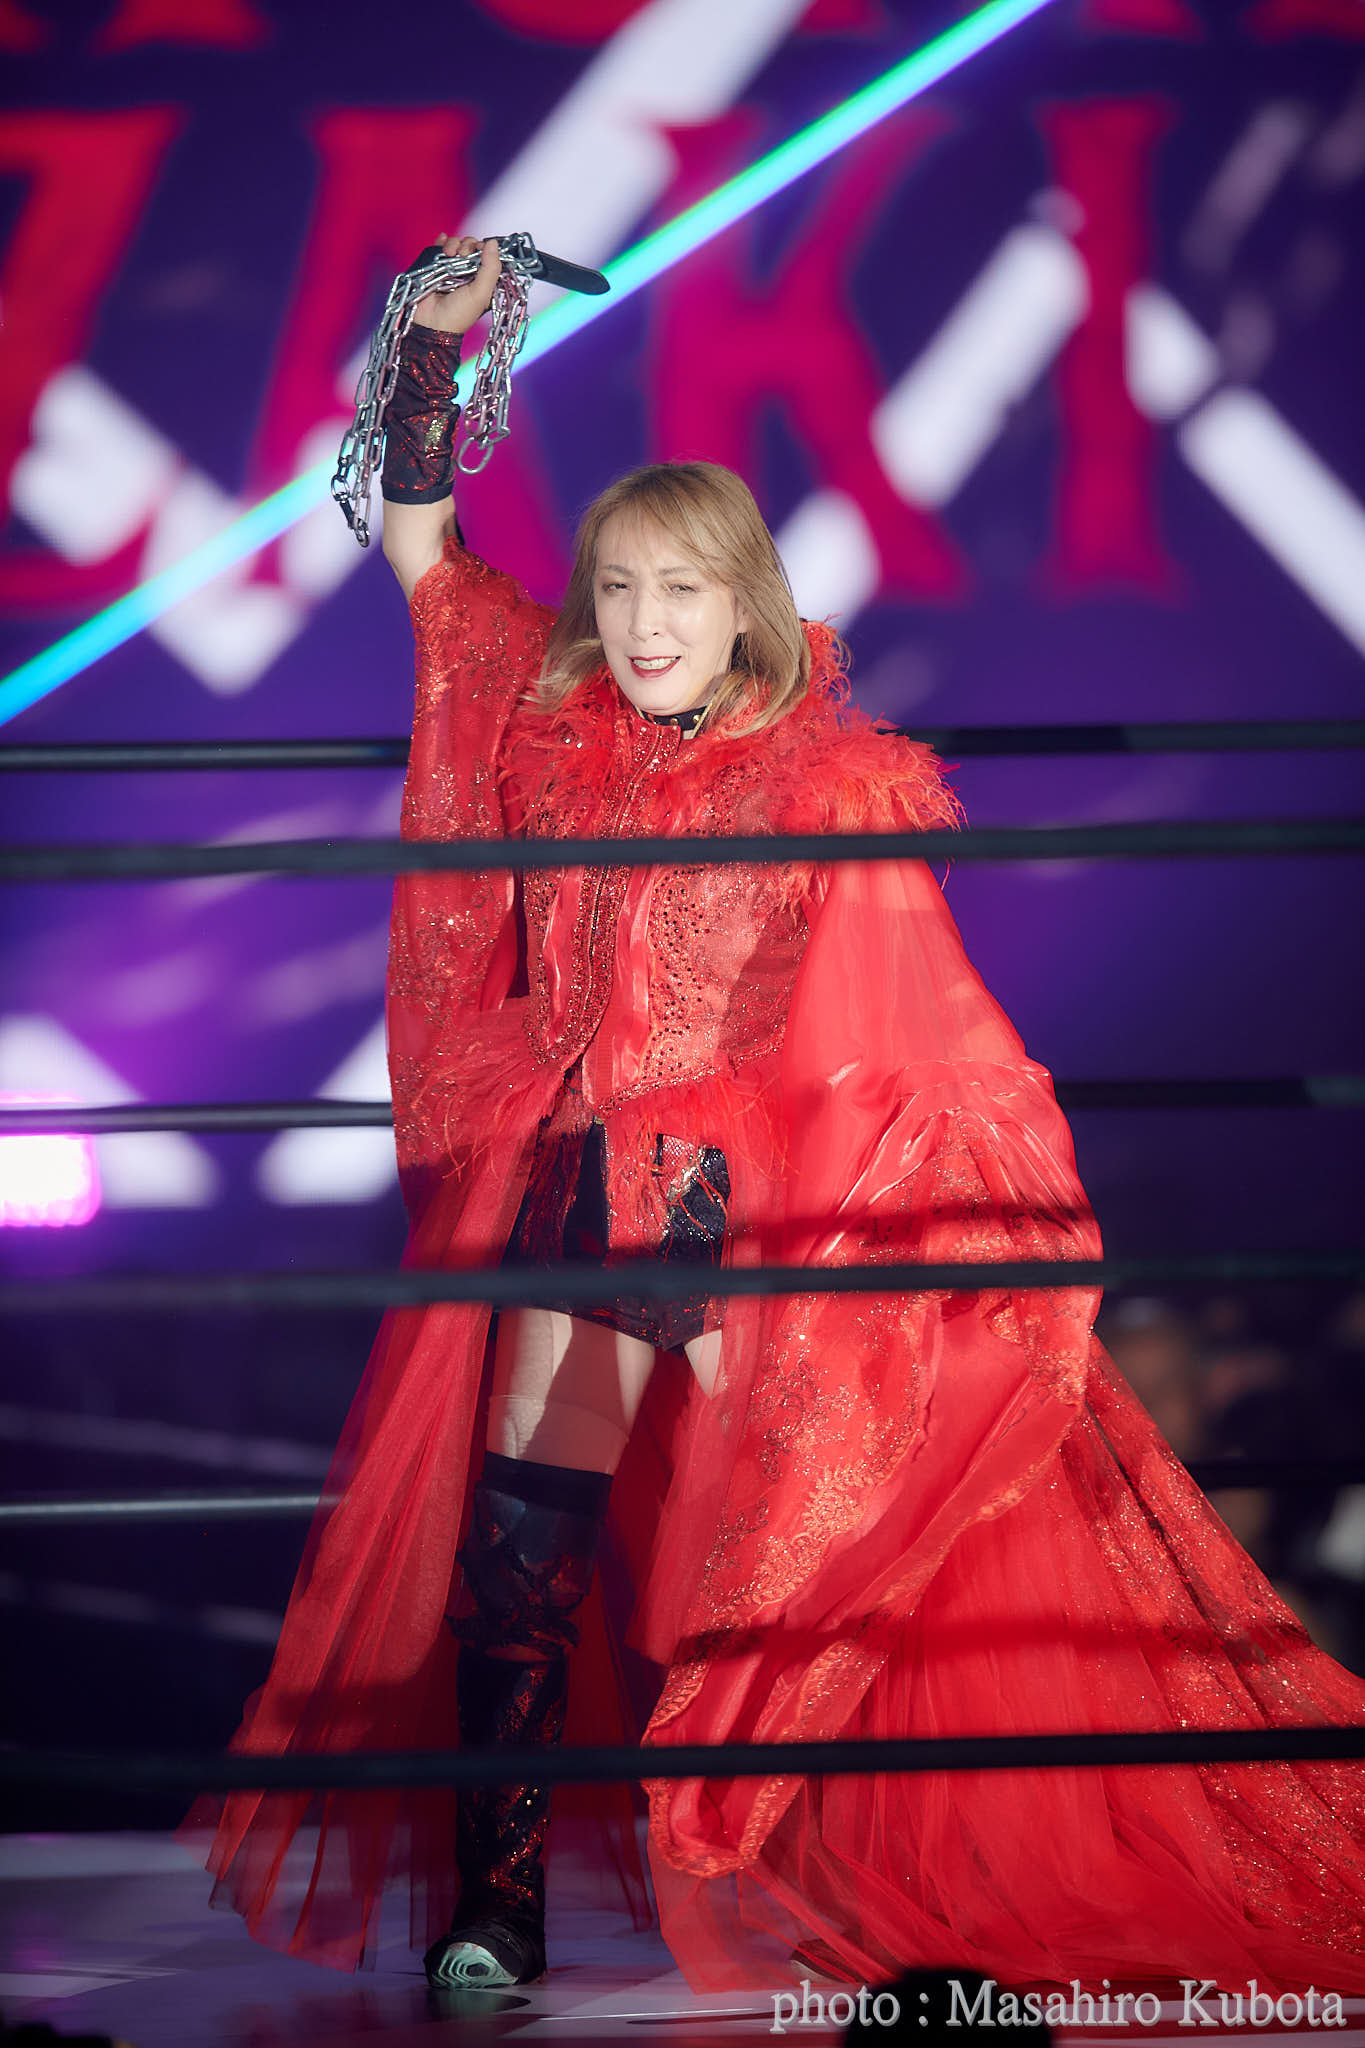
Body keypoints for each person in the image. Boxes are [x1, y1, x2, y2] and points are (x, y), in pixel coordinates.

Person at [187, 237, 1365, 1996]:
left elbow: (918, 1028)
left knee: (799, 1568)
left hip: (760, 1225)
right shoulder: (549, 725)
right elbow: (421, 543)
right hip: (580, 1193)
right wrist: (434, 342)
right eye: (616, 589)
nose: (643, 623)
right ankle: (496, 1910)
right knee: (514, 1553)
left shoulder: (834, 785)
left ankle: (832, 1872)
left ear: (742, 604)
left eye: (677, 589)